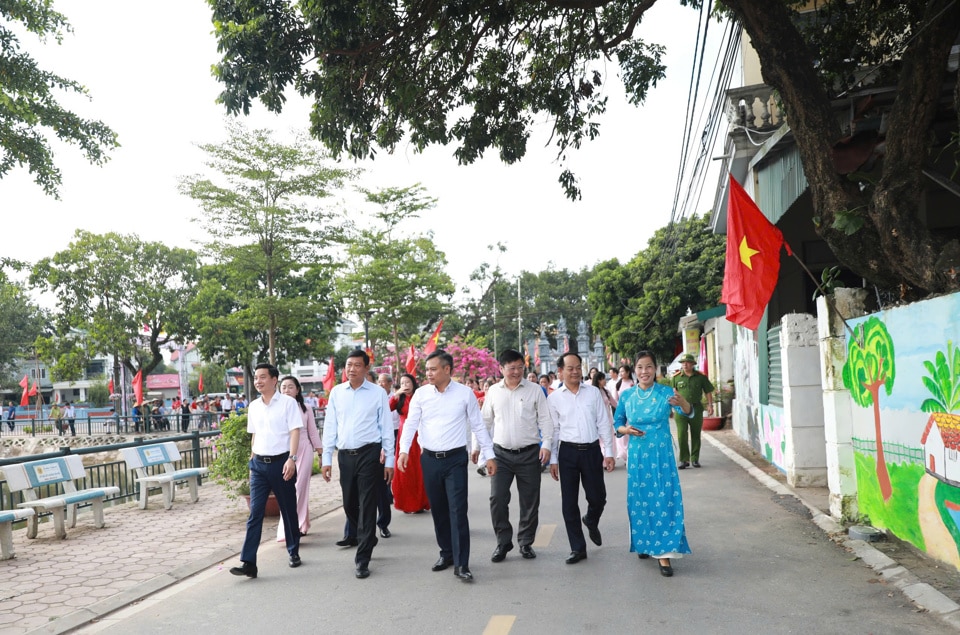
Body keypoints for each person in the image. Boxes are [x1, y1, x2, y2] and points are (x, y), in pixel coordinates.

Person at [398, 350, 497, 583]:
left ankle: (462, 563)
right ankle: (446, 553)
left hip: (455, 460)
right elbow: (411, 424)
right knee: (439, 510)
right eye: (427, 369)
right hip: (430, 459)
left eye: (433, 369)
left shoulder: (465, 394)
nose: (428, 373)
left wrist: (489, 455)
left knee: (457, 510)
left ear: (447, 370)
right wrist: (403, 451)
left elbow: (478, 426)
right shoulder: (421, 395)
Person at [614, 351, 694, 577]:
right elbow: (617, 423)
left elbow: (687, 412)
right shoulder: (627, 396)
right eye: (640, 367)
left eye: (648, 367)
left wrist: (684, 402)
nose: (644, 371)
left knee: (663, 499)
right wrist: (625, 430)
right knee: (640, 500)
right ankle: (644, 542)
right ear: (634, 370)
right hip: (638, 456)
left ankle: (664, 554)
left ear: (655, 369)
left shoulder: (666, 393)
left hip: (661, 456)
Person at [321, 350, 394, 579]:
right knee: (349, 503)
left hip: (369, 453)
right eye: (348, 365)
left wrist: (388, 460)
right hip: (345, 455)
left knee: (367, 503)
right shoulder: (336, 393)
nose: (351, 369)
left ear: (365, 368)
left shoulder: (377, 393)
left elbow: (385, 429)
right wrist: (326, 459)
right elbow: (330, 426)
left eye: (357, 365)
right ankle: (366, 535)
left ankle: (363, 558)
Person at [230, 363, 303, 579]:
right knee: (255, 513)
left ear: (274, 380)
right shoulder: (253, 406)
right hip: (259, 465)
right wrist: (252, 461)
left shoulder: (288, 403)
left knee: (288, 509)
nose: (258, 381)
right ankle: (249, 562)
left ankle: (293, 551)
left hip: (282, 463)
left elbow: (295, 432)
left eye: (263, 377)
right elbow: (255, 434)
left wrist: (292, 459)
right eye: (256, 378)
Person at [479, 349, 552, 563]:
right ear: (501, 369)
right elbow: (485, 422)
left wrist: (546, 444)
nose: (517, 371)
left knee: (530, 500)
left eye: (520, 367)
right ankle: (503, 541)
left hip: (529, 453)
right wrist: (482, 451)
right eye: (511, 368)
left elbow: (545, 420)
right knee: (497, 498)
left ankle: (526, 542)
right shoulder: (493, 391)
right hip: (500, 454)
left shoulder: (535, 390)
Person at [547, 352, 615, 565]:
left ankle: (591, 519)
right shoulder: (554, 398)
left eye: (578, 367)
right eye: (570, 368)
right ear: (561, 371)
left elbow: (604, 422)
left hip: (592, 451)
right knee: (569, 502)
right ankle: (577, 548)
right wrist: (554, 460)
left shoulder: (593, 393)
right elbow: (554, 431)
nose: (575, 371)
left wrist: (610, 453)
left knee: (598, 497)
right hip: (567, 453)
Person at [341, 372, 397, 543]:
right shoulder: (342, 394)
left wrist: (388, 456)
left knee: (375, 495)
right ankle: (361, 533)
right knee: (351, 501)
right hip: (350, 453)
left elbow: (386, 427)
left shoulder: (380, 395)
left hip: (375, 450)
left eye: (381, 382)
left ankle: (377, 527)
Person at [276, 376, 323, 540]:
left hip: (303, 450)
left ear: (297, 390)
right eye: (283, 387)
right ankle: (301, 524)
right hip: (283, 452)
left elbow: (312, 432)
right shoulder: (277, 408)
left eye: (290, 387)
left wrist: (320, 453)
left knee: (300, 489)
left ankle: (291, 528)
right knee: (287, 490)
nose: (286, 390)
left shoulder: (306, 408)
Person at [391, 374, 429, 513]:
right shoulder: (399, 398)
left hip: (419, 435)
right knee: (404, 469)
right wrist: (396, 394)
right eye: (402, 383)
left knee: (419, 469)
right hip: (404, 437)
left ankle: (421, 502)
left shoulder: (419, 397)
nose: (405, 385)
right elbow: (387, 408)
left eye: (407, 382)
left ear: (413, 383)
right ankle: (406, 503)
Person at [671, 353, 716, 469]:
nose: (684, 365)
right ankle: (684, 459)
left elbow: (708, 391)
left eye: (687, 362)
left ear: (692, 364)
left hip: (696, 408)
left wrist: (710, 405)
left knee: (696, 434)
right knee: (681, 434)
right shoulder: (676, 377)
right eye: (682, 363)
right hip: (680, 410)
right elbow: (672, 393)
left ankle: (695, 459)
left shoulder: (701, 377)